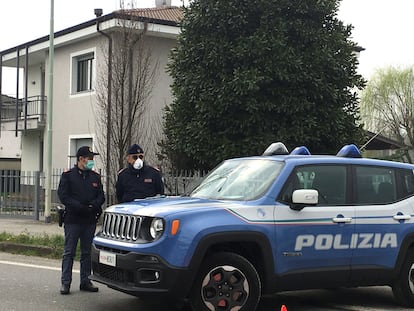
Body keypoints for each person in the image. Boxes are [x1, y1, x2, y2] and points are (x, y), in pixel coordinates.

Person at [57, 146, 105, 295]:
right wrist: (79, 206)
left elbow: (101, 196)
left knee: (87, 253)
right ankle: (66, 283)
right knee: (69, 252)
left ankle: (85, 281)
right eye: (89, 158)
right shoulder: (68, 175)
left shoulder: (95, 177)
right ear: (81, 159)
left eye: (92, 158)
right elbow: (63, 196)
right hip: (73, 220)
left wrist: (93, 205)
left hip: (89, 220)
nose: (91, 161)